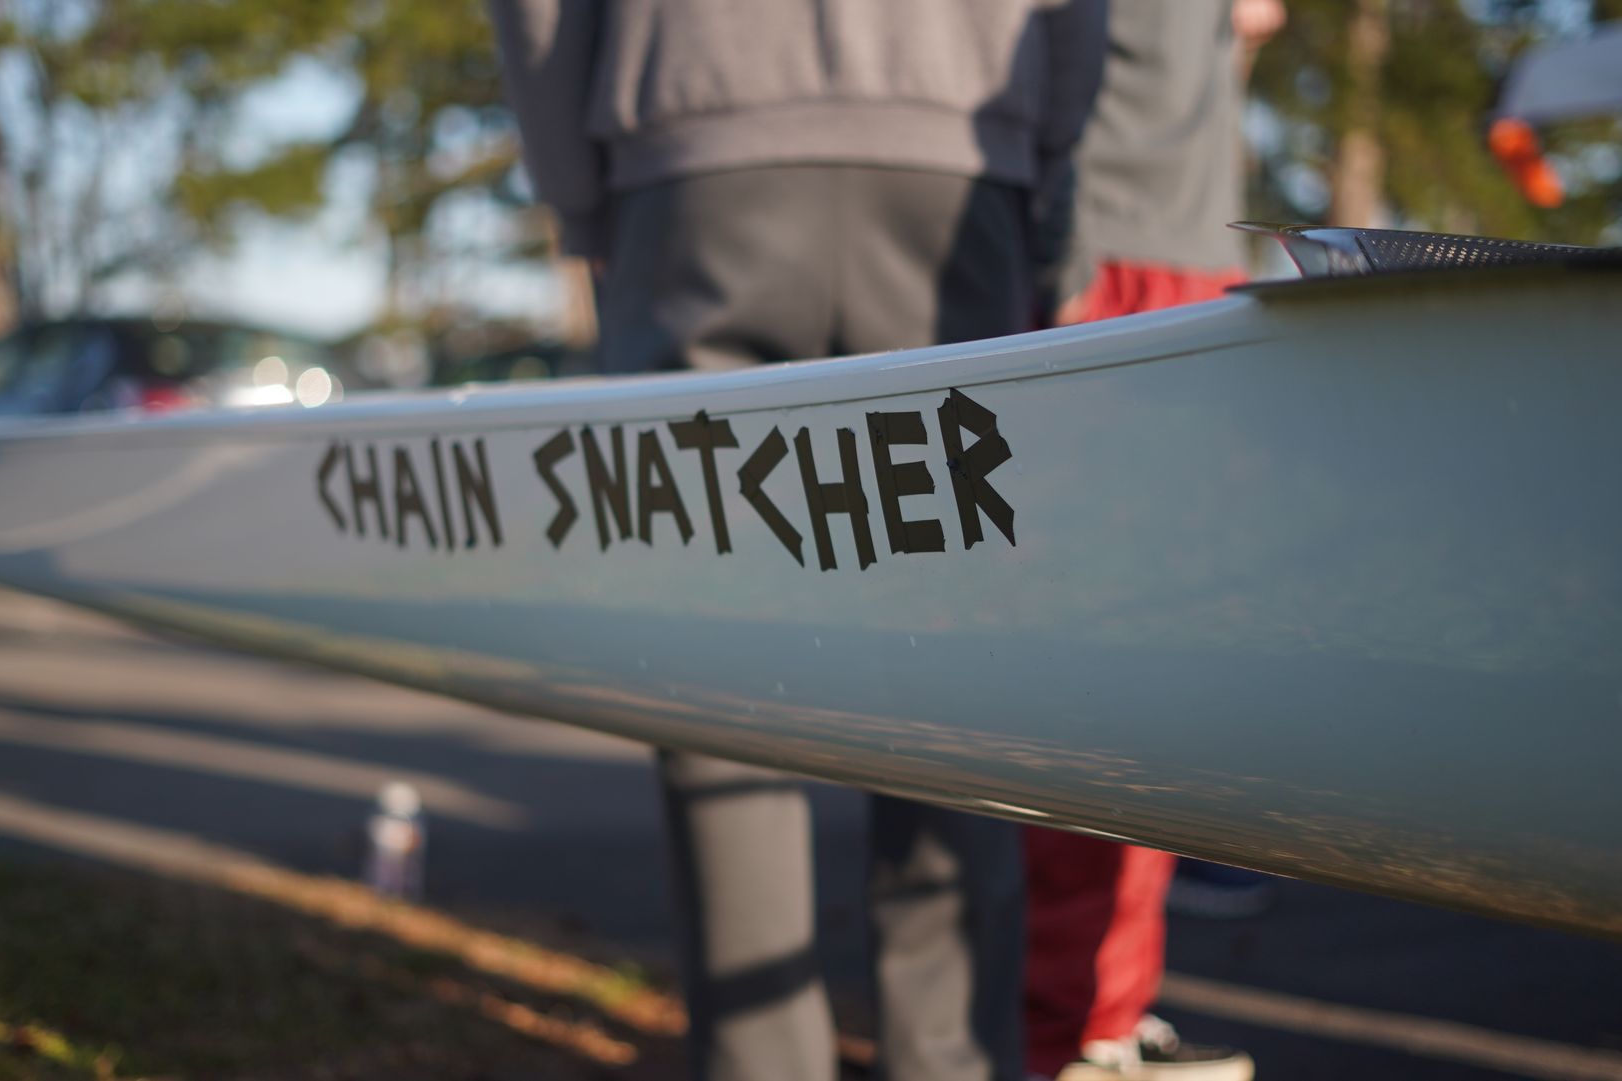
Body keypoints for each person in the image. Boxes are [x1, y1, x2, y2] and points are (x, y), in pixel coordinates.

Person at [486, 3, 1108, 1079]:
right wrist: (1044, 148)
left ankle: (760, 1062)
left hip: (691, 158)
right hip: (956, 149)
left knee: (715, 650)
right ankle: (951, 1058)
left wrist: (579, 188)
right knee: (951, 650)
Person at [1022, 2, 1278, 1079]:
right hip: (1107, 259)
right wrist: (1064, 245)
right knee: (1091, 652)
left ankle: (1106, 1012)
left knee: (1159, 654)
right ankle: (1064, 1022)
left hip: (1190, 261)